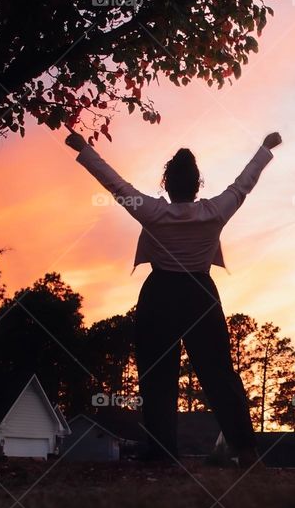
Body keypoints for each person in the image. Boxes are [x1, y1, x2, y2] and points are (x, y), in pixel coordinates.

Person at [64, 126, 282, 468]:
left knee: (156, 374)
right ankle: (247, 451)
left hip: (161, 294)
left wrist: (83, 149)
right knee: (219, 375)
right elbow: (244, 184)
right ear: (197, 185)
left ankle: (163, 452)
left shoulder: (151, 211)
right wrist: (266, 147)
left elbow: (115, 184)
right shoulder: (216, 211)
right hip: (200, 295)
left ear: (167, 184)